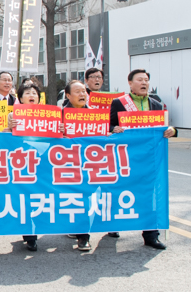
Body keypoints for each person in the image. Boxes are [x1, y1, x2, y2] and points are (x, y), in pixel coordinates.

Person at [109, 69, 177, 250]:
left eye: (146, 80)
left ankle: (151, 235)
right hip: (125, 157)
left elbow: (165, 126)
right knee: (120, 191)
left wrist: (173, 130)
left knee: (150, 195)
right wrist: (114, 129)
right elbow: (108, 125)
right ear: (130, 83)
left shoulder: (156, 104)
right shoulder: (119, 103)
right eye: (139, 79)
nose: (143, 83)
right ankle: (113, 224)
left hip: (150, 159)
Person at [7, 81, 42, 252]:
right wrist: (8, 129)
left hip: (43, 164)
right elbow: (3, 140)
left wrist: (60, 129)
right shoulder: (12, 116)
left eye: (34, 93)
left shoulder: (48, 114)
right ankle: (30, 236)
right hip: (21, 163)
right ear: (20, 98)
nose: (31, 96)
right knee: (25, 199)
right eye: (27, 93)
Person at [62, 80, 95, 252]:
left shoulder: (96, 116)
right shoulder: (59, 115)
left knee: (85, 199)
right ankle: (74, 227)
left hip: (88, 165)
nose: (82, 94)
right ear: (68, 95)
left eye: (84, 91)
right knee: (71, 199)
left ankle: (84, 237)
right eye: (78, 91)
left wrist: (113, 131)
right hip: (65, 166)